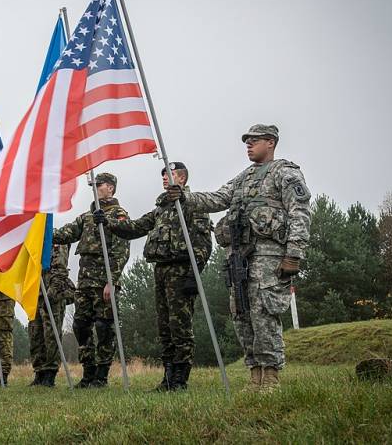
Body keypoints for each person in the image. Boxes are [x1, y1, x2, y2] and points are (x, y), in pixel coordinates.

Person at [172, 124, 311, 392]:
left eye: (254, 141)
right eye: (247, 141)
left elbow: (300, 213)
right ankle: (254, 375)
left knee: (264, 314)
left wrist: (294, 254)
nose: (248, 145)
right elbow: (218, 198)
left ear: (270, 143)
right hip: (240, 257)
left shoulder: (285, 172)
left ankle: (271, 377)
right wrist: (186, 196)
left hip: (269, 256)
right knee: (242, 315)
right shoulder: (243, 178)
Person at [96, 162, 212, 391]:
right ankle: (168, 377)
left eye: (169, 175)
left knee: (180, 326)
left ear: (182, 178)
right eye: (162, 176)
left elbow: (203, 243)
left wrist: (194, 274)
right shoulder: (160, 208)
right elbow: (136, 227)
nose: (164, 179)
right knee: (164, 326)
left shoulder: (193, 205)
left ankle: (180, 378)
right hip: (161, 270)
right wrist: (108, 223)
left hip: (181, 270)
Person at [53, 172, 130, 388]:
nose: (95, 188)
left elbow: (122, 250)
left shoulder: (119, 215)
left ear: (111, 188)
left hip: (103, 283)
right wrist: (43, 231)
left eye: (100, 184)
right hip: (85, 283)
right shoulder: (87, 217)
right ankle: (88, 373)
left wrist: (112, 281)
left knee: (104, 327)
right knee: (81, 325)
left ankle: (101, 376)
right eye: (93, 185)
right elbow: (66, 233)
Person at [28, 244, 74, 387]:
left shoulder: (56, 243)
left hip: (52, 297)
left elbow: (60, 271)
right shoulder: (33, 243)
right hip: (36, 295)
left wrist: (51, 293)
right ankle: (39, 372)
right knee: (35, 335)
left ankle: (50, 373)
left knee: (51, 335)